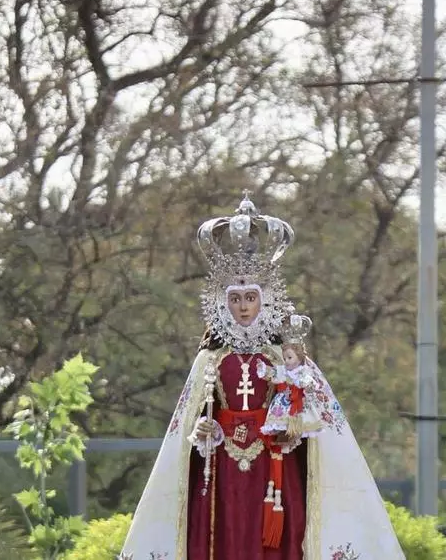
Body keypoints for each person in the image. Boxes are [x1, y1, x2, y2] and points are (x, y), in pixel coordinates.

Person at [120, 192, 405, 560]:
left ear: (264, 300)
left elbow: (315, 418)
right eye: (235, 298)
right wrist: (203, 433)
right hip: (220, 471)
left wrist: (293, 429)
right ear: (223, 302)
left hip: (274, 467)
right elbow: (187, 430)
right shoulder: (209, 358)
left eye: (249, 298)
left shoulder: (285, 357)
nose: (242, 307)